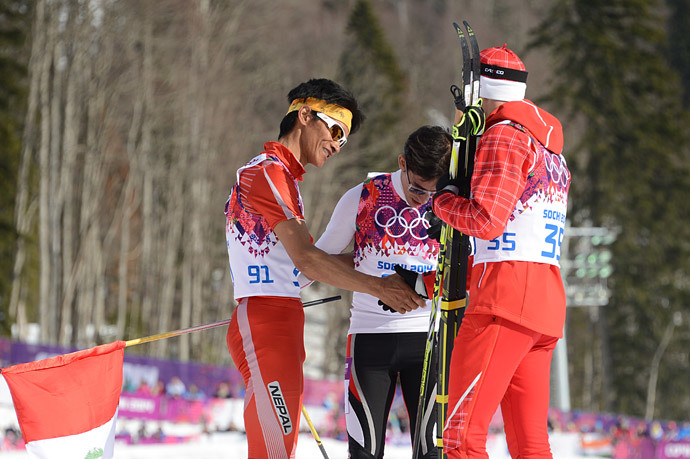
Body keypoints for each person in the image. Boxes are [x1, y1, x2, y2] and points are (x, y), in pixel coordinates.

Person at [223, 78, 426, 459]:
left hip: (278, 316)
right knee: (273, 451)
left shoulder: (283, 177)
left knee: (277, 446)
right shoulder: (268, 172)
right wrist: (379, 287)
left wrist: (382, 261)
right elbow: (308, 260)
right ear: (304, 115)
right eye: (335, 130)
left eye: (344, 139)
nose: (336, 144)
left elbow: (304, 265)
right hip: (266, 319)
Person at [411, 45, 570, 458]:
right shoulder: (550, 147)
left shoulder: (504, 135)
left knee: (461, 437)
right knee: (530, 444)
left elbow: (486, 221)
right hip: (544, 300)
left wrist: (441, 201)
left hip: (504, 295)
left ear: (482, 91)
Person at [314, 125, 452, 459]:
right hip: (370, 340)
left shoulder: (453, 204)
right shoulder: (362, 197)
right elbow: (317, 261)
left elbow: (474, 273)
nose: (425, 202)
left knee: (431, 454)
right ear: (403, 163)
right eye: (419, 191)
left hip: (430, 342)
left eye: (435, 194)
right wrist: (267, 293)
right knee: (364, 453)